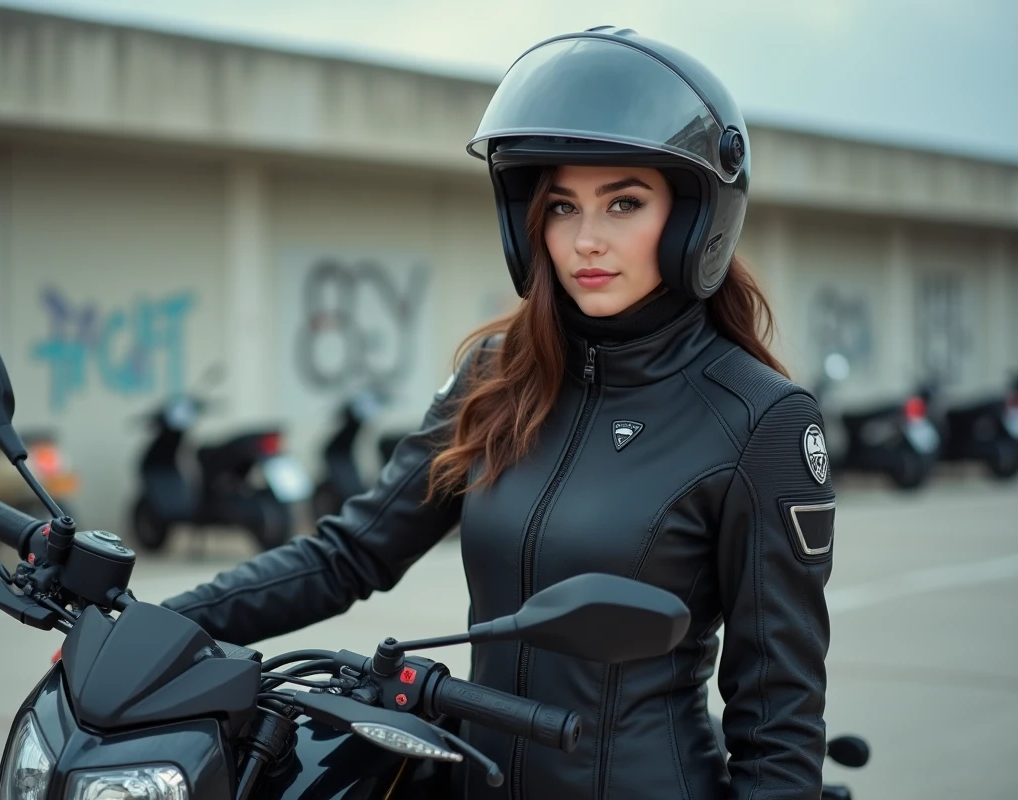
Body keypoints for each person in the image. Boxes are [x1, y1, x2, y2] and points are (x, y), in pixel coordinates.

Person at [163, 26, 835, 800]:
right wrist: (164, 626)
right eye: (561, 206)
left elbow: (778, 720)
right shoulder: (498, 377)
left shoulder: (760, 420)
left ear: (693, 220)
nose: (586, 239)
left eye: (624, 202)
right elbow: (350, 553)